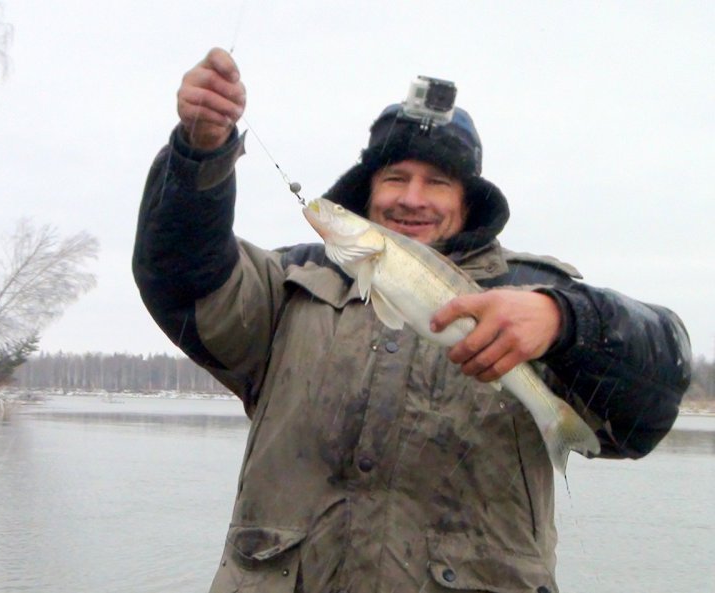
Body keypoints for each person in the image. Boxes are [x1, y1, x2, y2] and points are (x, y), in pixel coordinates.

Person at [132, 47, 692, 593]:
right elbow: (180, 271)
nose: (412, 198)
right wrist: (199, 152)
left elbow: (658, 388)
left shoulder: (533, 296)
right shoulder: (289, 285)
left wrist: (567, 322)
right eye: (395, 177)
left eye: (438, 182)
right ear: (367, 191)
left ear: (468, 201)